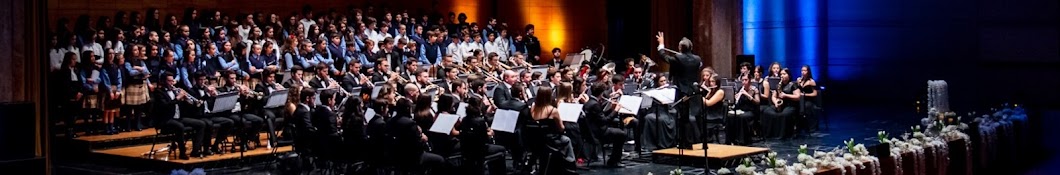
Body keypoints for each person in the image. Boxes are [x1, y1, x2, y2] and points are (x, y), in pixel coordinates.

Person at [655, 32, 702, 149]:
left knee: (683, 117)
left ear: (680, 48)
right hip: (694, 90)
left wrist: (661, 44)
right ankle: (689, 141)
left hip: (682, 90)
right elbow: (698, 65)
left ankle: (685, 142)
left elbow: (663, 56)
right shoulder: (697, 59)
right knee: (690, 117)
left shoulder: (678, 58)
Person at [151, 72, 207, 159]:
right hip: (165, 120)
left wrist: (185, 100)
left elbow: (186, 106)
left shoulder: (175, 91)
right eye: (169, 81)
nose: (172, 83)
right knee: (180, 126)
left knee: (201, 124)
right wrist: (178, 98)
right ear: (163, 81)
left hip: (178, 118)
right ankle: (182, 152)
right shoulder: (159, 92)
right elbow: (165, 106)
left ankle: (195, 151)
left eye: (172, 81)